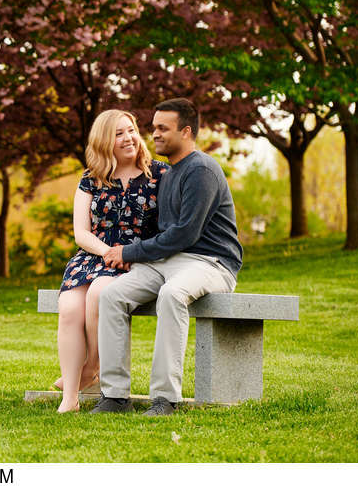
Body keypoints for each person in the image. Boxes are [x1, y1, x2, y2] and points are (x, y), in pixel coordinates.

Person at [90, 98, 243, 417]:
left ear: (186, 131)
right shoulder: (170, 173)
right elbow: (164, 234)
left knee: (172, 295)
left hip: (211, 262)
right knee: (113, 295)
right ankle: (115, 396)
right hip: (170, 261)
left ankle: (164, 399)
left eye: (163, 128)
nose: (154, 134)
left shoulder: (201, 169)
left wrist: (128, 252)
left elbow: (185, 234)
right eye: (154, 127)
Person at [53, 109, 169, 413]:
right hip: (93, 255)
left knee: (99, 294)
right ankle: (71, 397)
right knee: (68, 310)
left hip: (135, 259)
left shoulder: (159, 174)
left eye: (130, 130)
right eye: (119, 133)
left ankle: (90, 368)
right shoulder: (91, 178)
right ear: (105, 141)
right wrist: (107, 252)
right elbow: (80, 232)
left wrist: (129, 254)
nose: (129, 138)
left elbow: (167, 228)